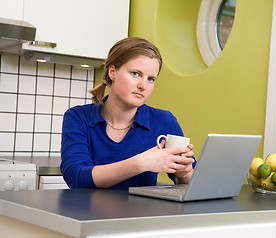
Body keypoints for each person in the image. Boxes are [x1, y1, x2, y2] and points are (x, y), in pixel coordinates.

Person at [60, 37, 196, 189]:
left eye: (151, 79)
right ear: (113, 72)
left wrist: (184, 173)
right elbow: (76, 178)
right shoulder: (78, 117)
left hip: (143, 213)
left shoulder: (164, 120)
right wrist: (142, 163)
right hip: (88, 213)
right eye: (136, 74)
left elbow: (189, 181)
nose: (143, 85)